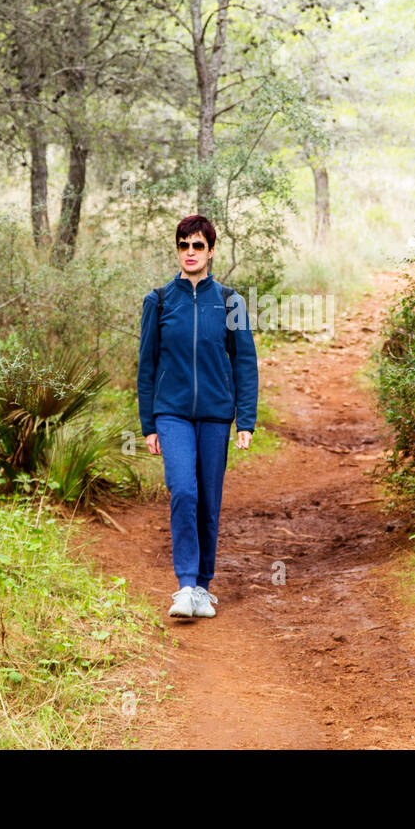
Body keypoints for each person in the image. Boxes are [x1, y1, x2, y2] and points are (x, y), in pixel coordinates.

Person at [137, 215, 258, 618]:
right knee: (183, 490)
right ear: (177, 249)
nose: (190, 253)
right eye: (183, 245)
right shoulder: (158, 300)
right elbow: (146, 365)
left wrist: (246, 420)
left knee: (208, 500)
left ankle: (204, 588)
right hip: (170, 414)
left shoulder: (231, 301)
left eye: (198, 246)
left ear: (211, 251)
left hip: (215, 415)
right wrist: (149, 425)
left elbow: (244, 361)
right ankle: (186, 585)